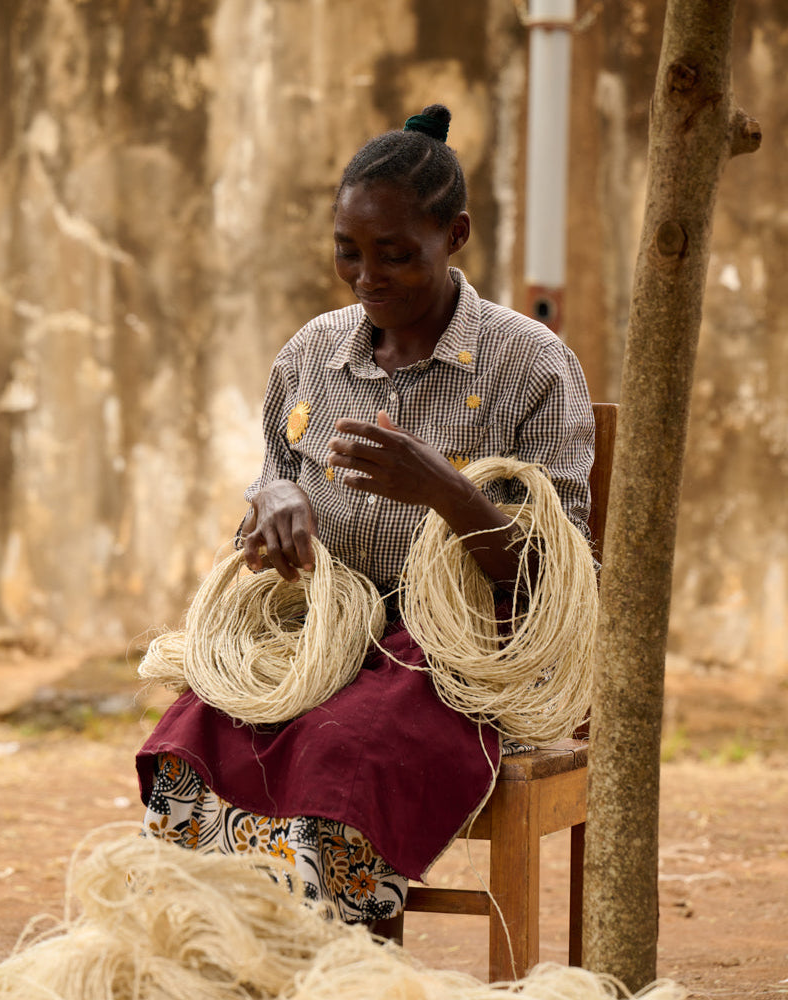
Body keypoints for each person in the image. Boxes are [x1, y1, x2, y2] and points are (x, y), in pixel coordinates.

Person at [136, 104, 594, 930]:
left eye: (397, 255)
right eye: (349, 251)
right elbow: (273, 479)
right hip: (322, 625)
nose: (367, 276)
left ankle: (341, 964)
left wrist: (446, 492)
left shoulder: (529, 363)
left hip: (463, 650)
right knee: (203, 725)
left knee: (348, 743)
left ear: (454, 236)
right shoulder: (313, 352)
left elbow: (549, 580)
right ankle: (223, 954)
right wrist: (272, 501)